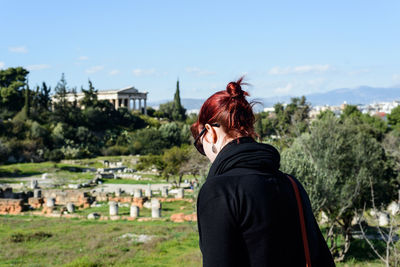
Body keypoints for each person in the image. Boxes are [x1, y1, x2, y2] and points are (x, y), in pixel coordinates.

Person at [190, 78, 335, 267]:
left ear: (210, 132)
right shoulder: (292, 185)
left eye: (201, 145)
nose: (205, 153)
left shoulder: (219, 191)